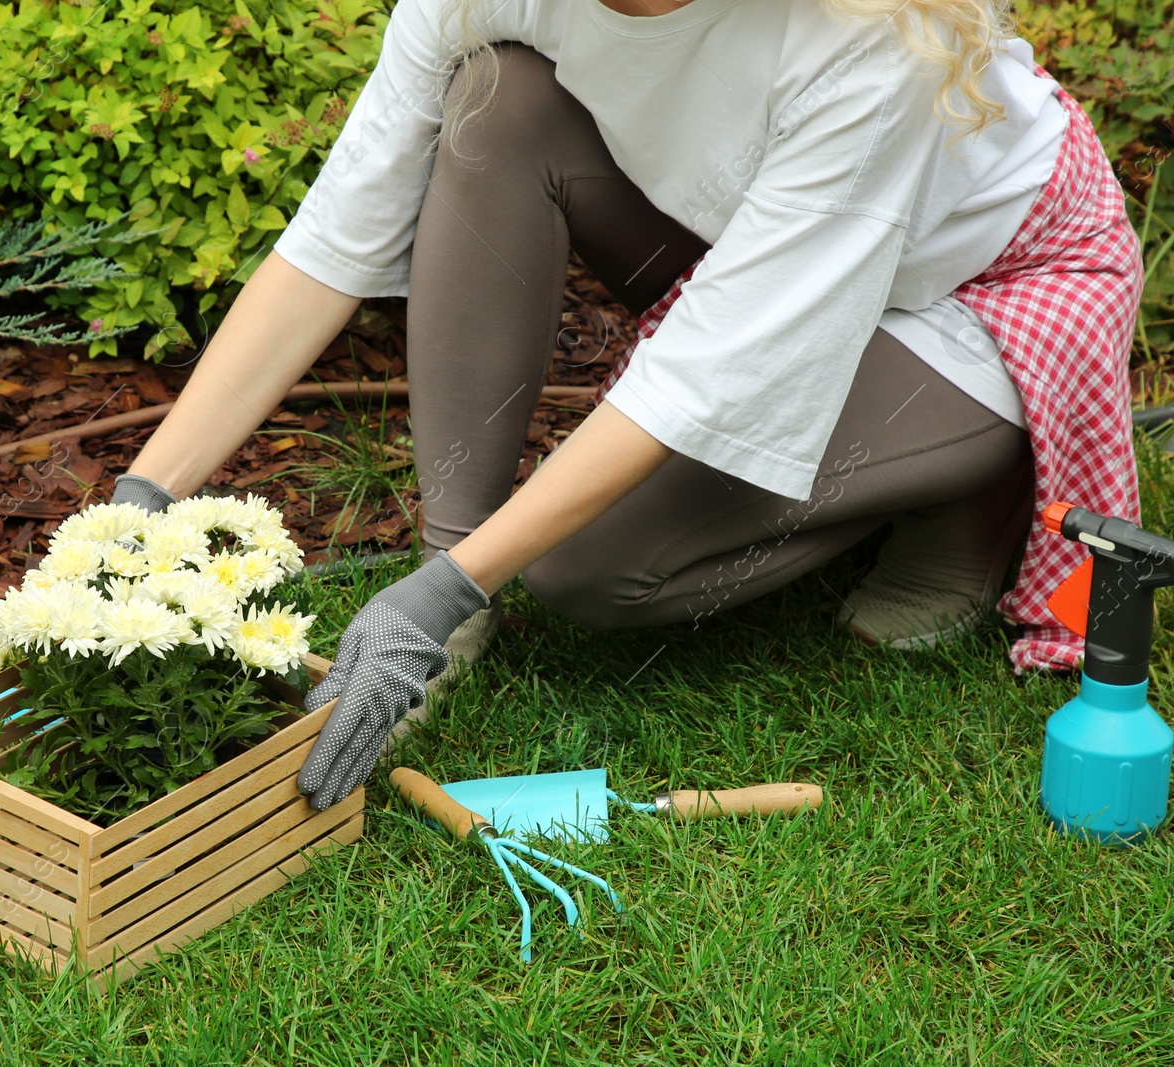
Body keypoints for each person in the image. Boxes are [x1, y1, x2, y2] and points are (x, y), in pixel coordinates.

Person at [108, 0, 1144, 812]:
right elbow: (333, 238)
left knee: (586, 569)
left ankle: (962, 487)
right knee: (497, 97)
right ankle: (453, 566)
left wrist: (447, 595)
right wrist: (140, 497)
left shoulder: (867, 35)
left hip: (984, 283)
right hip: (761, 228)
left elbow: (700, 373)